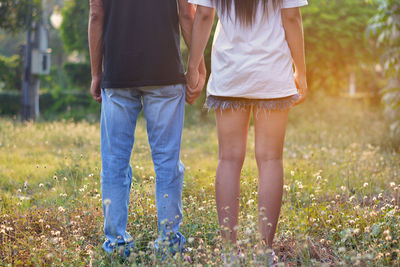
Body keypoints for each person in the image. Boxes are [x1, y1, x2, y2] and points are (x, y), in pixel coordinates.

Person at [186, 0, 308, 263]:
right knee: (271, 159)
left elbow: (204, 15)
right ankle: (265, 253)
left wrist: (193, 67)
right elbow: (291, 18)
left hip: (231, 72)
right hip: (272, 72)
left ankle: (230, 253)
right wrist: (301, 72)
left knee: (228, 159)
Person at [88, 0, 206, 257]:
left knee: (114, 163)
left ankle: (117, 246)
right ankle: (169, 245)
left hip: (118, 73)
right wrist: (197, 67)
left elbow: (96, 14)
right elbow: (187, 14)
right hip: (164, 72)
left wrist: (97, 73)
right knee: (167, 161)